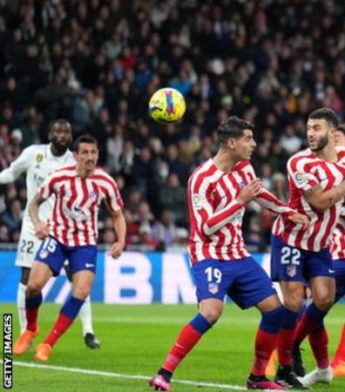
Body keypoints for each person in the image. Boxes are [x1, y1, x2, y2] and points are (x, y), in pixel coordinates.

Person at [149, 116, 309, 391]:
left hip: (238, 254)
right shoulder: (201, 178)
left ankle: (257, 377)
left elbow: (260, 195)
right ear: (232, 142)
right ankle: (164, 373)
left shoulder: (244, 168)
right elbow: (207, 226)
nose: (254, 144)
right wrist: (240, 200)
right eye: (248, 139)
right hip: (209, 253)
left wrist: (288, 211)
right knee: (211, 312)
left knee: (275, 312)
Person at [12, 134, 126, 362]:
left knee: (81, 292)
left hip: (84, 244)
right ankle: (31, 329)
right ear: (75, 156)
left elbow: (117, 214)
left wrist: (121, 240)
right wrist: (37, 223)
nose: (90, 157)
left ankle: (48, 344)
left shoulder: (106, 182)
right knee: (32, 286)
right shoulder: (58, 178)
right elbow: (34, 203)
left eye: (93, 152)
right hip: (56, 238)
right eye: (84, 152)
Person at [270, 108, 345, 388]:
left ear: (333, 134)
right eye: (309, 127)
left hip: (320, 244)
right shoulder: (299, 163)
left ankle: (295, 343)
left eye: (317, 128)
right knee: (295, 301)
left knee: (323, 299)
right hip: (291, 239)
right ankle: (284, 368)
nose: (310, 133)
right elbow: (320, 202)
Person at [0, 120, 101, 349]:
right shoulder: (33, 154)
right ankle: (25, 332)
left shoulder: (75, 160)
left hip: (63, 228)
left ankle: (88, 331)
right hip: (32, 226)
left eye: (67, 131)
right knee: (27, 279)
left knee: (78, 279)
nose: (63, 135)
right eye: (59, 130)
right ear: (50, 133)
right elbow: (11, 173)